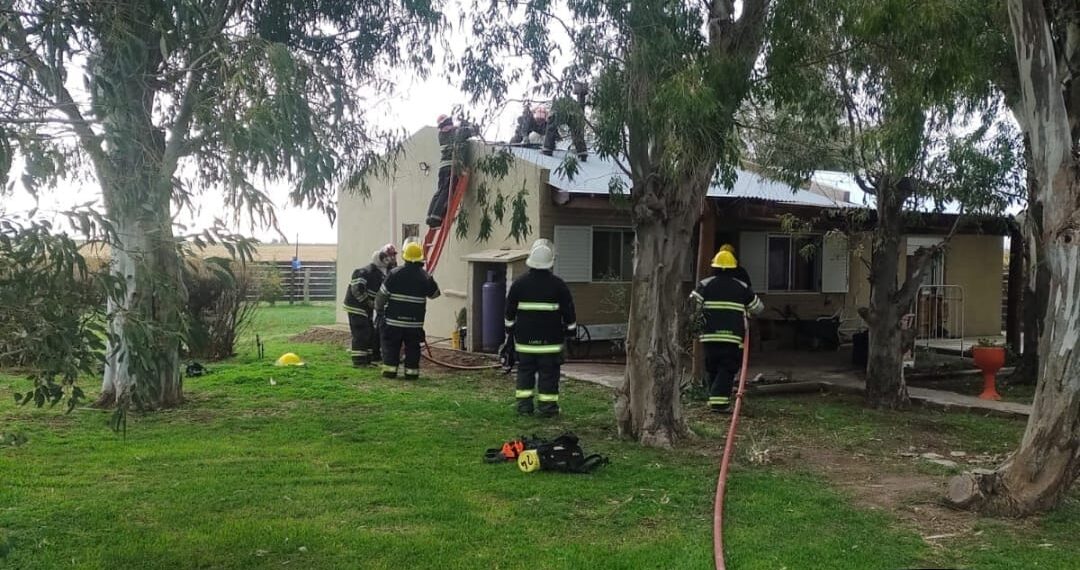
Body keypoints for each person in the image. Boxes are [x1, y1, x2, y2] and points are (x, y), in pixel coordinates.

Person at [504, 239, 577, 417]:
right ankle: (548, 409)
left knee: (525, 372)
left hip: (524, 343)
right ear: (550, 262)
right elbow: (569, 312)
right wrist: (570, 332)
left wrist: (510, 332)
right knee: (549, 375)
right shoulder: (558, 285)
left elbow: (509, 312)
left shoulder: (519, 284)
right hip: (550, 344)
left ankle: (524, 408)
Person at [690, 249, 765, 413]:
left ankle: (714, 399)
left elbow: (691, 306)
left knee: (713, 367)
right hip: (732, 337)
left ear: (715, 267)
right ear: (734, 268)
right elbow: (758, 308)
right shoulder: (741, 286)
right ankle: (719, 403)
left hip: (709, 336)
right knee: (727, 367)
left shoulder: (705, 284)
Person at [375, 238, 440, 380]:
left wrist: (379, 310)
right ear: (420, 258)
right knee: (413, 348)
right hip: (414, 324)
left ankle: (390, 371)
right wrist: (430, 278)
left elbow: (381, 297)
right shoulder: (425, 277)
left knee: (391, 346)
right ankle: (412, 373)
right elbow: (435, 295)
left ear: (405, 256)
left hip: (393, 322)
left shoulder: (394, 273)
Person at [342, 244, 397, 366]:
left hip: (366, 308)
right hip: (357, 307)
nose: (392, 261)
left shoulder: (382, 273)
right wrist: (369, 303)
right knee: (361, 332)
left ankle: (367, 359)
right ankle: (359, 361)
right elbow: (357, 290)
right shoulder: (364, 272)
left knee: (369, 332)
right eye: (389, 257)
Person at [510, 84, 589, 161]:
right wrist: (525, 136)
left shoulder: (549, 119)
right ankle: (512, 144)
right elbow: (524, 127)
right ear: (535, 118)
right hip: (571, 111)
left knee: (556, 129)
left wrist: (555, 141)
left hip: (567, 111)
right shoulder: (529, 120)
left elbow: (552, 132)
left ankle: (549, 149)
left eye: (541, 121)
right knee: (520, 133)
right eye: (538, 121)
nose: (540, 123)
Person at [426, 115, 475, 228]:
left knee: (440, 191)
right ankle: (436, 216)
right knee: (447, 191)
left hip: (443, 168)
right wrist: (465, 123)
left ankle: (431, 215)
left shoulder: (441, 135)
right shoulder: (458, 132)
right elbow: (474, 130)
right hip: (453, 167)